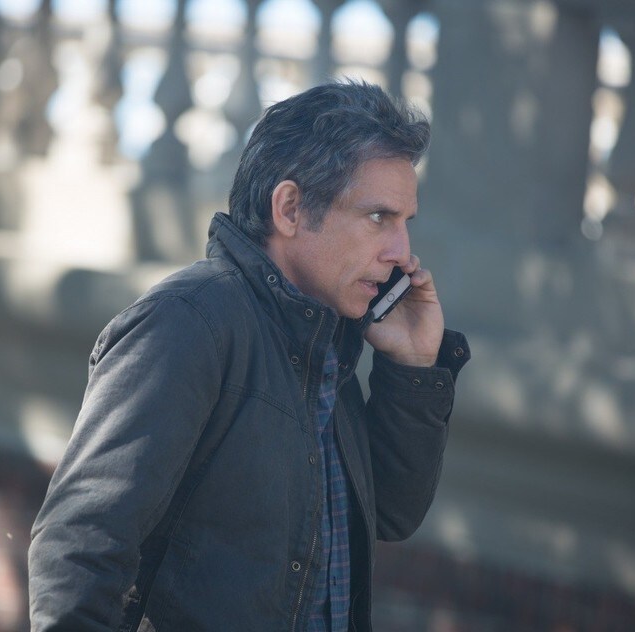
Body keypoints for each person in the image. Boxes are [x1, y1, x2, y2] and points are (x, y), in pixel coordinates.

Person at [28, 80, 470, 631]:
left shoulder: (329, 343)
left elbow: (394, 514)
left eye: (406, 222)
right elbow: (81, 543)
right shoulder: (188, 322)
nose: (402, 252)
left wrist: (412, 367)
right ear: (290, 208)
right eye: (379, 217)